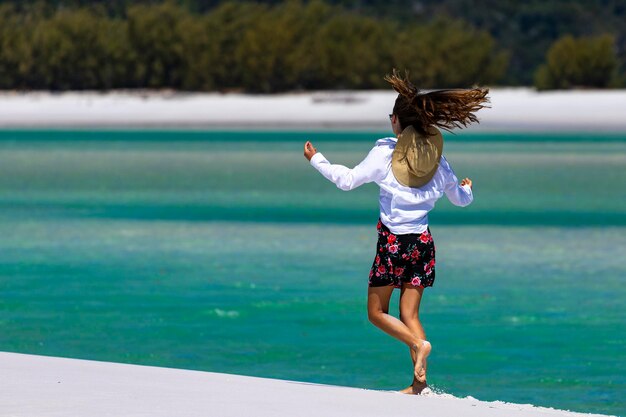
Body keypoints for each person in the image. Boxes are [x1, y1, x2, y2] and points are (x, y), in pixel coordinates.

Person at [303, 69, 489, 395]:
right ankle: (420, 385)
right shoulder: (438, 162)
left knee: (376, 313)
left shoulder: (384, 154)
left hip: (392, 245)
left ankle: (419, 345)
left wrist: (315, 158)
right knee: (410, 313)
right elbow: (460, 200)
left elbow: (346, 180)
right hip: (422, 244)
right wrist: (468, 189)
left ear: (395, 122)